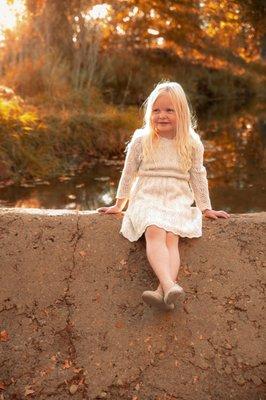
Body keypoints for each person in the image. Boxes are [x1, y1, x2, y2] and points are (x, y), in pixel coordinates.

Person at [97, 81, 230, 311]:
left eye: (170, 110)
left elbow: (198, 175)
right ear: (150, 114)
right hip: (147, 195)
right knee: (155, 229)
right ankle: (169, 285)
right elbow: (128, 173)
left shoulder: (191, 143)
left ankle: (162, 292)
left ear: (182, 113)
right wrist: (119, 204)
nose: (162, 116)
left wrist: (205, 208)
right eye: (156, 110)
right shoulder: (141, 140)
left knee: (172, 238)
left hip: (177, 197)